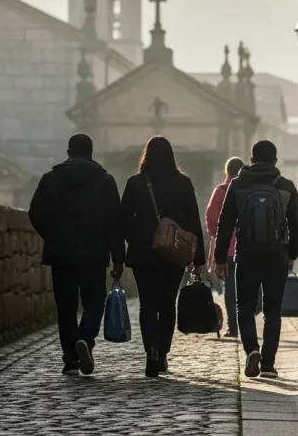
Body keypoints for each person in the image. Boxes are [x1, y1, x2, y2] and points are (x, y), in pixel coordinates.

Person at [28, 133, 124, 376]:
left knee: (66, 306)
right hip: (94, 253)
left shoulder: (50, 178)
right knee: (94, 301)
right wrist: (118, 258)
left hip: (61, 253)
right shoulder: (105, 181)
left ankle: (70, 358)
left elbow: (35, 212)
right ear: (91, 153)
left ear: (68, 152)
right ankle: (85, 338)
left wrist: (52, 236)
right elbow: (115, 223)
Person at [214, 140, 298, 379]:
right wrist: (292, 254)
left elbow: (225, 224)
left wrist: (221, 258)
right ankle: (268, 364)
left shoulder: (237, 185)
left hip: (246, 256)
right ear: (275, 161)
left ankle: (252, 350)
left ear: (251, 160)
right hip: (277, 257)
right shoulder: (285, 186)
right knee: (272, 311)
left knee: (244, 308)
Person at [120, 136, 206, 378]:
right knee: (168, 303)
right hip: (174, 252)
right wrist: (198, 258)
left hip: (143, 253)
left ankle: (151, 352)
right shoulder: (183, 183)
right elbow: (193, 221)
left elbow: (123, 219)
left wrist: (135, 239)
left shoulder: (135, 183)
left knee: (148, 304)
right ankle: (164, 353)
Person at [206, 156, 245, 338]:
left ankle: (233, 326)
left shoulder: (221, 190)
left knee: (230, 289)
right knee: (246, 286)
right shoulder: (248, 189)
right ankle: (246, 320)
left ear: (226, 171)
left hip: (227, 249)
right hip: (247, 247)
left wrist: (217, 236)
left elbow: (211, 218)